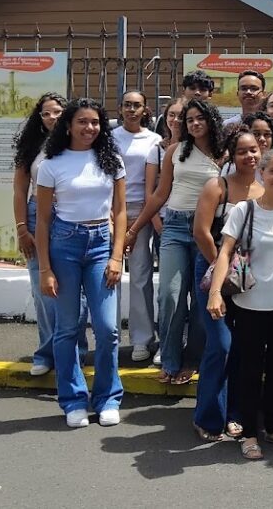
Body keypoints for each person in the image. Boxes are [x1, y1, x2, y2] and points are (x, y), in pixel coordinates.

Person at [206, 149, 273, 461]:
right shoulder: (243, 210)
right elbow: (224, 252)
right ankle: (250, 433)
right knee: (250, 371)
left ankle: (272, 427)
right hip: (250, 305)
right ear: (261, 174)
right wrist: (215, 292)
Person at [35, 98, 126, 428]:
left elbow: (120, 211)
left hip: (102, 244)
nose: (90, 128)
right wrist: (45, 270)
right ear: (69, 126)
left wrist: (117, 256)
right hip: (64, 245)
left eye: (96, 122)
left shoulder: (111, 160)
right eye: (83, 122)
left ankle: (107, 397)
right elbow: (43, 221)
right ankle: (73, 400)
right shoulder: (51, 164)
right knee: (67, 328)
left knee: (107, 327)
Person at [126, 98, 225, 384]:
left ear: (210, 121)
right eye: (189, 120)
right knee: (170, 295)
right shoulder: (174, 151)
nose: (194, 124)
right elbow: (159, 194)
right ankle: (169, 359)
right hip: (175, 228)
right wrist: (135, 229)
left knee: (201, 299)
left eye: (199, 119)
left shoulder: (223, 155)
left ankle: (192, 359)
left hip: (207, 230)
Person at [191, 129, 264, 442]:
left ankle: (235, 414)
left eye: (254, 150)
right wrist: (220, 270)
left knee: (244, 348)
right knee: (220, 345)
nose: (250, 156)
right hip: (213, 274)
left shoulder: (264, 189)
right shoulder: (217, 186)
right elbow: (201, 232)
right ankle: (208, 417)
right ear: (231, 157)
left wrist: (243, 271)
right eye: (242, 151)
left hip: (248, 278)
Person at [12, 92, 86, 375]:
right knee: (42, 288)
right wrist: (21, 228)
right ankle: (46, 351)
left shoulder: (79, 144)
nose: (52, 117)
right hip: (35, 216)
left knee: (72, 289)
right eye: (46, 113)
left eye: (57, 112)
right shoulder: (32, 146)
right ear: (39, 118)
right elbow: (19, 190)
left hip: (71, 215)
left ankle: (75, 351)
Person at [111, 91, 161, 363]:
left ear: (145, 109)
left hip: (143, 214)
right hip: (110, 213)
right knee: (111, 276)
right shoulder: (108, 138)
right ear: (120, 108)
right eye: (127, 105)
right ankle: (111, 338)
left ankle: (142, 339)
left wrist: (138, 220)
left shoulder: (153, 141)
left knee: (141, 277)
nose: (132, 109)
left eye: (137, 105)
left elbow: (152, 184)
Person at [146, 97, 186, 366]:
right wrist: (155, 222)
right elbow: (152, 190)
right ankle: (168, 343)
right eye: (171, 115)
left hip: (198, 225)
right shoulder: (158, 150)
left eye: (181, 116)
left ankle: (188, 343)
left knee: (196, 292)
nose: (176, 120)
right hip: (165, 223)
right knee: (169, 293)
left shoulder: (204, 149)